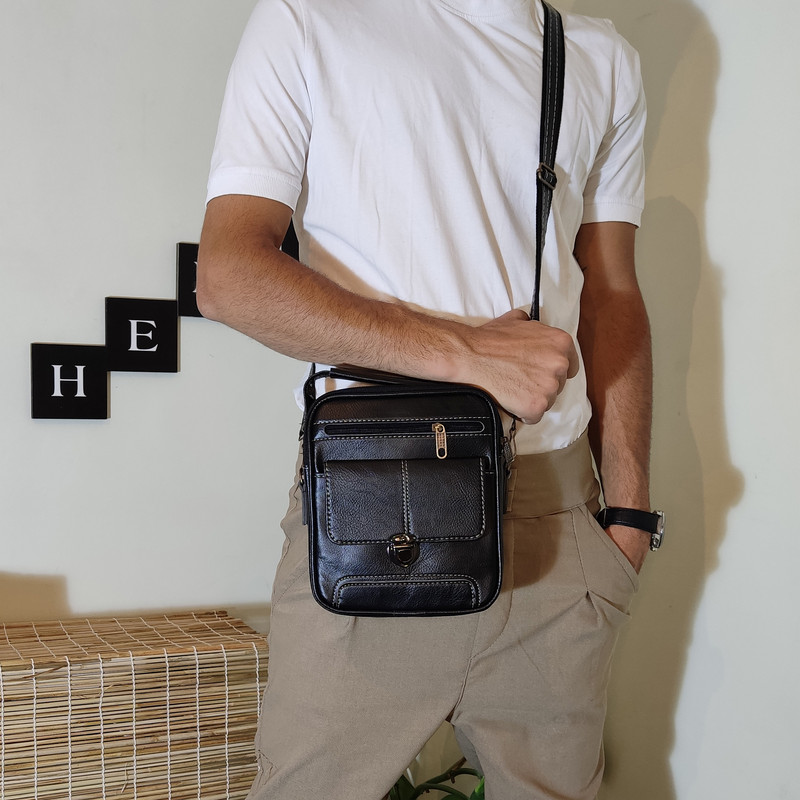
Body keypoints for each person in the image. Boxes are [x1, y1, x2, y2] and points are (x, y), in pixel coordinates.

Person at [196, 0, 654, 797]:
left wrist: (631, 515)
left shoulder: (597, 57)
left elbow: (612, 289)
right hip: (372, 510)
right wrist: (466, 353)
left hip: (558, 532)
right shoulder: (308, 19)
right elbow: (230, 275)